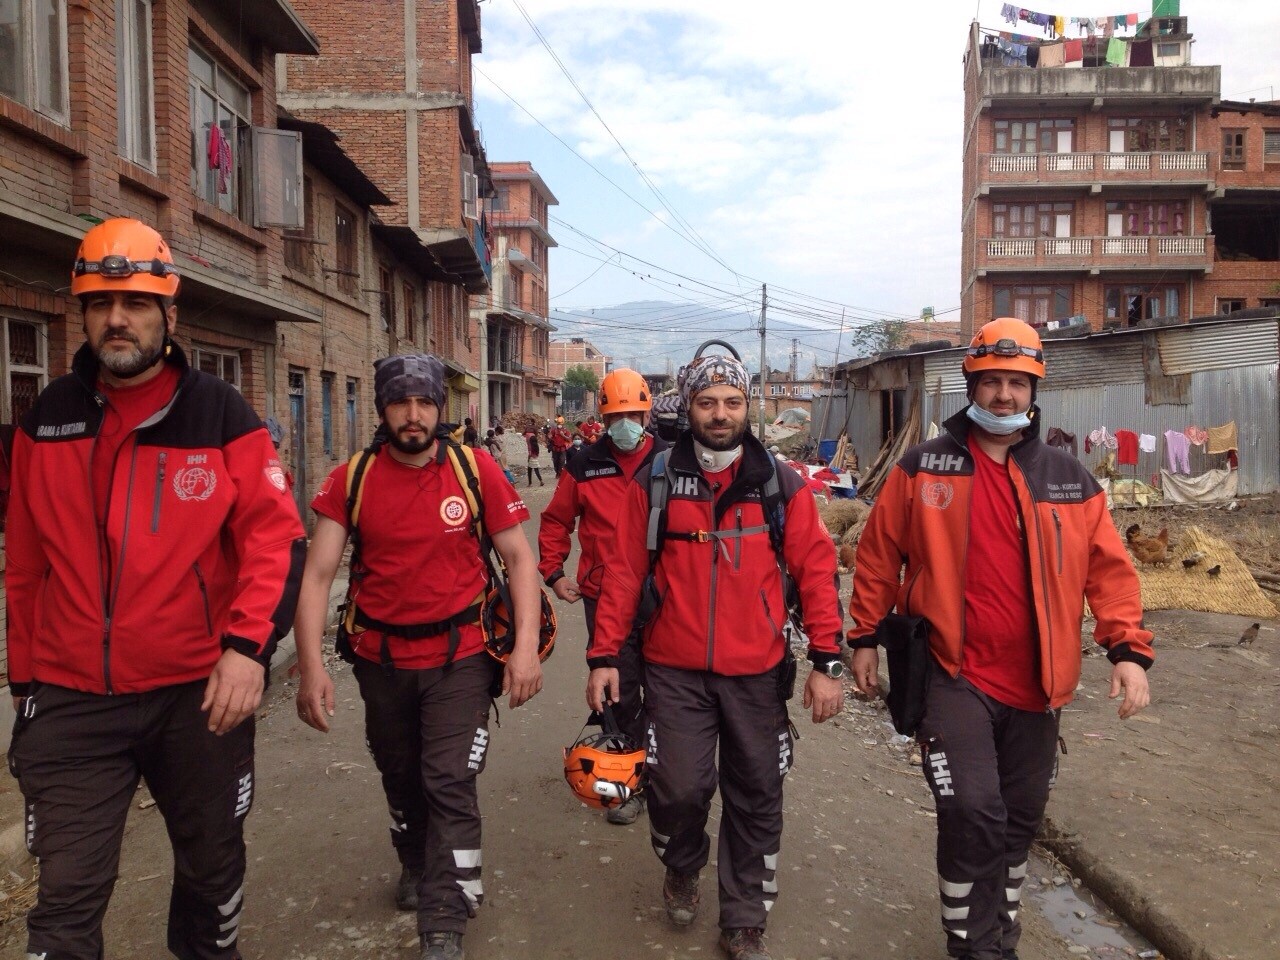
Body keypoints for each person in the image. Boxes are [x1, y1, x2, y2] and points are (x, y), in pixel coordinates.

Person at [5, 217, 306, 960]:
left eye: (136, 302)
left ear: (169, 314)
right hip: (74, 700)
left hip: (197, 694)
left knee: (210, 877)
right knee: (64, 898)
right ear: (81, 313)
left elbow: (277, 540)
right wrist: (26, 681)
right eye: (102, 302)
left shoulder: (220, 413)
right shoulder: (44, 421)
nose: (117, 318)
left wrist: (245, 650)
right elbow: (26, 566)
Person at [847, 317, 1154, 960]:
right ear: (972, 383)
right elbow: (878, 558)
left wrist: (1126, 650)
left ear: (1035, 388)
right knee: (973, 812)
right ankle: (971, 942)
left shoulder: (1069, 479)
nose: (1005, 395)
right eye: (993, 382)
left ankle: (1000, 931)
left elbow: (1110, 571)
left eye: (1018, 382)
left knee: (1018, 821)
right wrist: (864, 638)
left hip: (1039, 685)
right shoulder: (922, 467)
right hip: (950, 674)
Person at [587, 352, 846, 960]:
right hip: (673, 671)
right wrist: (603, 656)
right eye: (708, 403)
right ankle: (682, 864)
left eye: (732, 402)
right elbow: (623, 572)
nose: (721, 415)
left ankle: (743, 917)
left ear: (747, 407)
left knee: (756, 791)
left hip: (756, 673)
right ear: (689, 407)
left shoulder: (780, 483)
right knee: (677, 790)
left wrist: (827, 660)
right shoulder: (654, 481)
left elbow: (815, 571)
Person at [293, 353, 544, 960]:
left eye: (425, 402)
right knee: (402, 777)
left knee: (449, 782)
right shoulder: (350, 478)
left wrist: (526, 650)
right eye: (401, 403)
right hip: (381, 663)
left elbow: (521, 560)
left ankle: (446, 914)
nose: (413, 415)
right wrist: (310, 667)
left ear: (440, 407)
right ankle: (414, 860)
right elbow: (317, 575)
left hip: (462, 659)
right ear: (383, 408)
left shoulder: (473, 467)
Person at [538, 369, 669, 825]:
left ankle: (664, 776)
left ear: (647, 412)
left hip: (662, 596)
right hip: (601, 594)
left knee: (668, 689)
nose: (626, 423)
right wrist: (553, 572)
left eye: (634, 414)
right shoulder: (583, 463)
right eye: (617, 416)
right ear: (603, 416)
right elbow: (556, 520)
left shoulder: (671, 462)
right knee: (619, 688)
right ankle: (627, 781)